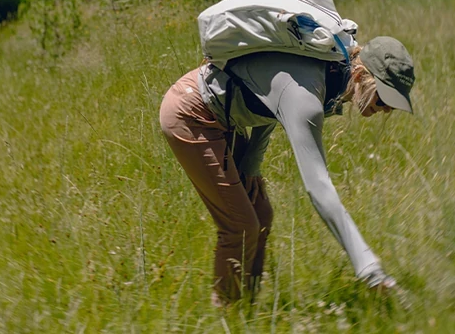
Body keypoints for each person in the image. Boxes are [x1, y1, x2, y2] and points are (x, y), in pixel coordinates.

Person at [158, 35, 416, 305]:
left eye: (393, 104)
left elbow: (269, 99)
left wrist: (250, 167)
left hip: (224, 115)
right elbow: (318, 186)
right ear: (361, 75)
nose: (386, 110)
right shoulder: (309, 95)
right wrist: (369, 268)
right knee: (241, 226)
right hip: (192, 114)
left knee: (261, 214)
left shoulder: (331, 75)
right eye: (384, 98)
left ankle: (247, 308)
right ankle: (227, 312)